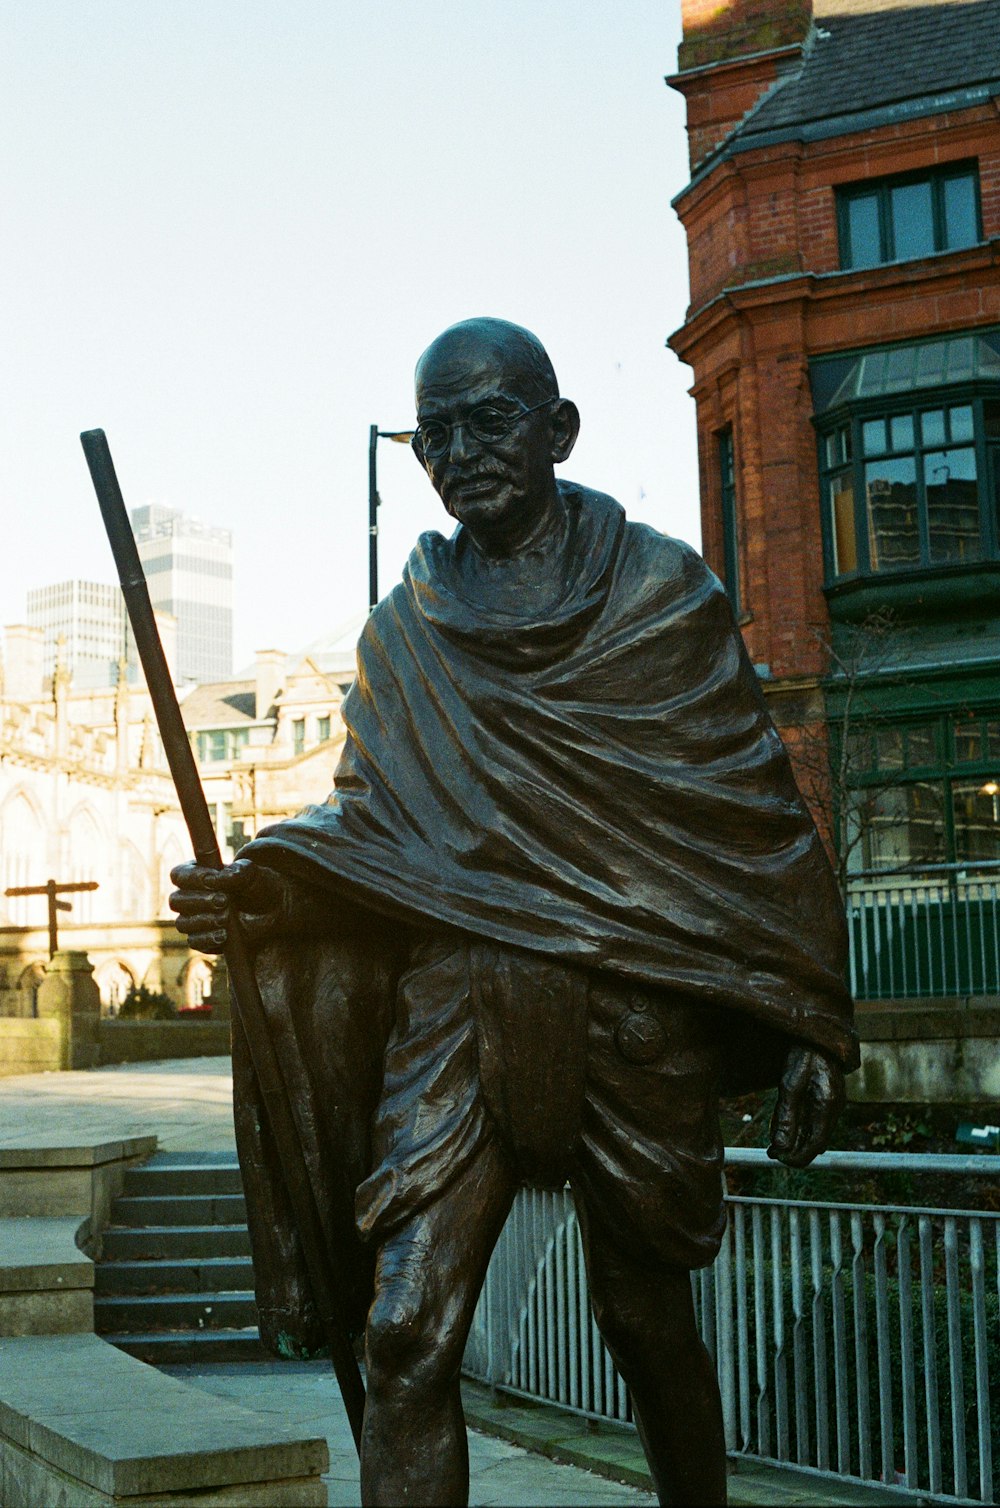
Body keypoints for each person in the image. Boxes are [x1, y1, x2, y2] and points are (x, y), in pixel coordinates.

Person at [171, 317, 857, 1507]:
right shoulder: (406, 634)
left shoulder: (658, 591)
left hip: (630, 1002)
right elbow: (375, 830)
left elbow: (753, 812)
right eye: (433, 433)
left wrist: (809, 1015)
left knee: (645, 1318)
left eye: (489, 420)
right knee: (404, 1332)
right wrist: (268, 890)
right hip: (454, 1004)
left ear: (557, 429)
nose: (460, 451)